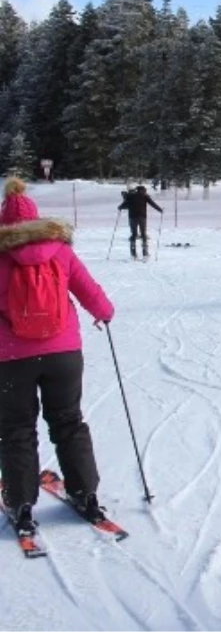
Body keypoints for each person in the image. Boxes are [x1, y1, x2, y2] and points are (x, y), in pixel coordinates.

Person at [0, 177, 116, 541]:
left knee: (17, 428)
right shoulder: (60, 249)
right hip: (64, 353)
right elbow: (88, 288)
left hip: (11, 357)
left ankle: (20, 504)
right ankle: (87, 494)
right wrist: (104, 311)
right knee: (68, 422)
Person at [117, 184, 163, 260]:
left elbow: (124, 205)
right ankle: (145, 253)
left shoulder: (130, 196)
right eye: (144, 190)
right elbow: (152, 204)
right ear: (142, 190)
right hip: (142, 217)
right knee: (143, 234)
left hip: (132, 217)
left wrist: (120, 207)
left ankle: (133, 254)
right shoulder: (145, 196)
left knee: (134, 234)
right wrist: (160, 210)